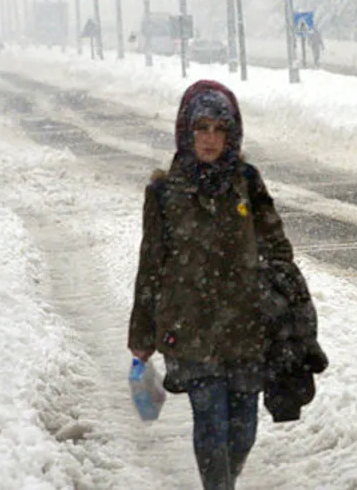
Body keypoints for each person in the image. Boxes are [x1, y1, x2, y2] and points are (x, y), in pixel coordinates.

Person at [128, 79, 327, 490]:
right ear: (187, 130)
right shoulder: (164, 191)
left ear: (232, 133)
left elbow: (277, 248)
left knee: (243, 431)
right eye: (202, 128)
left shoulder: (246, 181)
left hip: (246, 329)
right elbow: (151, 264)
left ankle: (226, 482)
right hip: (190, 329)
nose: (210, 138)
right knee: (210, 423)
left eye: (219, 129)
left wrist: (280, 299)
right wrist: (141, 333)